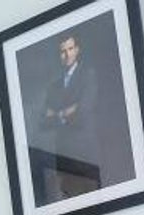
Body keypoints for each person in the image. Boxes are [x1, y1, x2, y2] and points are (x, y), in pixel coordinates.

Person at [40, 32, 100, 200]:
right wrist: (66, 112)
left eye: (70, 49)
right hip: (64, 156)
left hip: (85, 154)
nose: (67, 54)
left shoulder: (88, 75)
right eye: (62, 51)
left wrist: (56, 115)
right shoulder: (54, 86)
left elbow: (83, 112)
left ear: (77, 50)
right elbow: (43, 122)